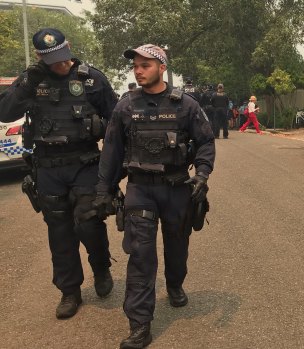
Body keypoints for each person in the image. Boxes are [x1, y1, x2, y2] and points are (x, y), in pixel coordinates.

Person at [95, 44, 215, 348]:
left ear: (162, 67)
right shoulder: (125, 107)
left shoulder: (186, 105)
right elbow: (111, 152)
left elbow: (205, 142)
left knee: (177, 247)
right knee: (140, 257)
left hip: (176, 188)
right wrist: (103, 190)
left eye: (145, 65)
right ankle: (140, 325)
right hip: (140, 190)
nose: (138, 70)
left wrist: (201, 174)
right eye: (136, 65)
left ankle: (175, 285)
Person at [0, 28, 116, 319]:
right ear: (40, 57)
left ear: (70, 48)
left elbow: (116, 121)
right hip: (48, 167)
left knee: (89, 222)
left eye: (63, 57)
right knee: (60, 231)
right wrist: (26, 83)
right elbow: (4, 112)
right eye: (52, 60)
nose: (60, 65)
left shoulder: (92, 79)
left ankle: (101, 267)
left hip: (86, 163)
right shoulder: (32, 81)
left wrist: (116, 167)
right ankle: (69, 291)